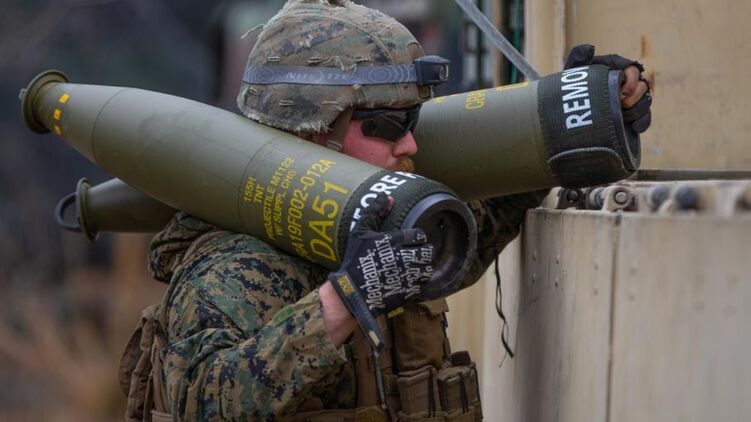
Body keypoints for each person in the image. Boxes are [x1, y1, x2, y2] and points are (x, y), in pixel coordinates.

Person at [119, 1, 652, 421]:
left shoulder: (377, 222)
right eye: (388, 125)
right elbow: (201, 399)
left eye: (413, 121)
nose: (410, 145)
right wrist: (344, 300)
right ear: (314, 128)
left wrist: (574, 121)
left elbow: (467, 237)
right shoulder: (234, 266)